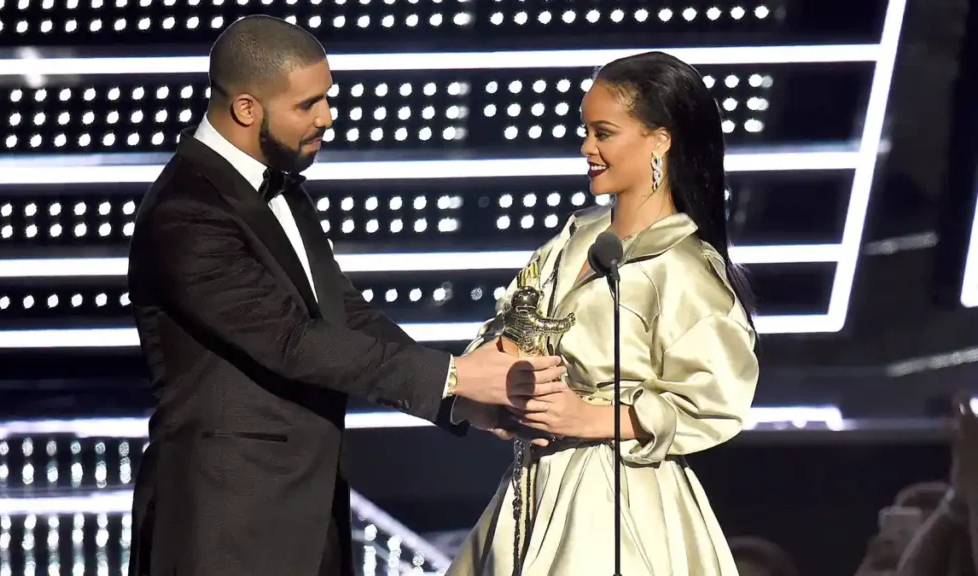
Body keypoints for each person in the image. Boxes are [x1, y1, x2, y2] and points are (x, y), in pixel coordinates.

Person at [125, 15, 566, 576]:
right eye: (307, 105)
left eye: (326, 99)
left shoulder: (280, 189)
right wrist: (455, 374)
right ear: (246, 109)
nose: (327, 118)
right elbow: (292, 342)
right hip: (225, 523)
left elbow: (345, 314)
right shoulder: (186, 214)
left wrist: (455, 397)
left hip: (307, 514)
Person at [448, 51, 760, 575]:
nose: (587, 147)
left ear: (660, 139)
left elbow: (717, 400)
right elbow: (509, 328)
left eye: (604, 133)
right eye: (586, 131)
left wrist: (588, 417)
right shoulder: (572, 240)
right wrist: (501, 390)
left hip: (618, 499)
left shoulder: (683, 269)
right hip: (531, 484)